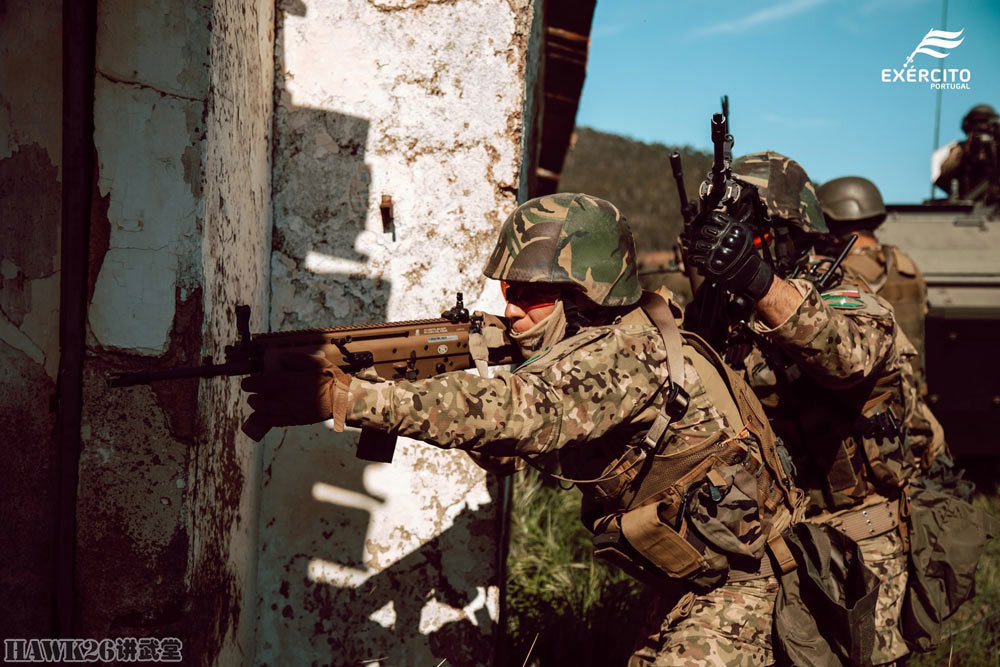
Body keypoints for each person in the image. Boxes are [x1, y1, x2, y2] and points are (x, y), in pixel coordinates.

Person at [242, 192, 806, 666]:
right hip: (696, 578)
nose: (511, 311)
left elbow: (523, 411)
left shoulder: (629, 353)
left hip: (751, 585)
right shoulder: (602, 341)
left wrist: (350, 397)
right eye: (509, 293)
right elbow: (516, 446)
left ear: (588, 293)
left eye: (531, 295)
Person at [685, 151, 997, 665]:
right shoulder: (724, 309)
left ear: (791, 229)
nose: (745, 244)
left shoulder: (841, 288)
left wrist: (757, 279)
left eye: (754, 233)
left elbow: (849, 355)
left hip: (857, 546)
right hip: (764, 544)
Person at [817, 176, 971, 494]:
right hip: (917, 401)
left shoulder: (842, 273)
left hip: (878, 407)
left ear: (833, 219)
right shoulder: (906, 265)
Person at [935, 103, 1000, 205]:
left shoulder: (996, 148)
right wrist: (968, 152)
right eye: (978, 122)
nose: (982, 126)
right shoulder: (960, 149)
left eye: (985, 122)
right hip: (968, 203)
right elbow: (944, 176)